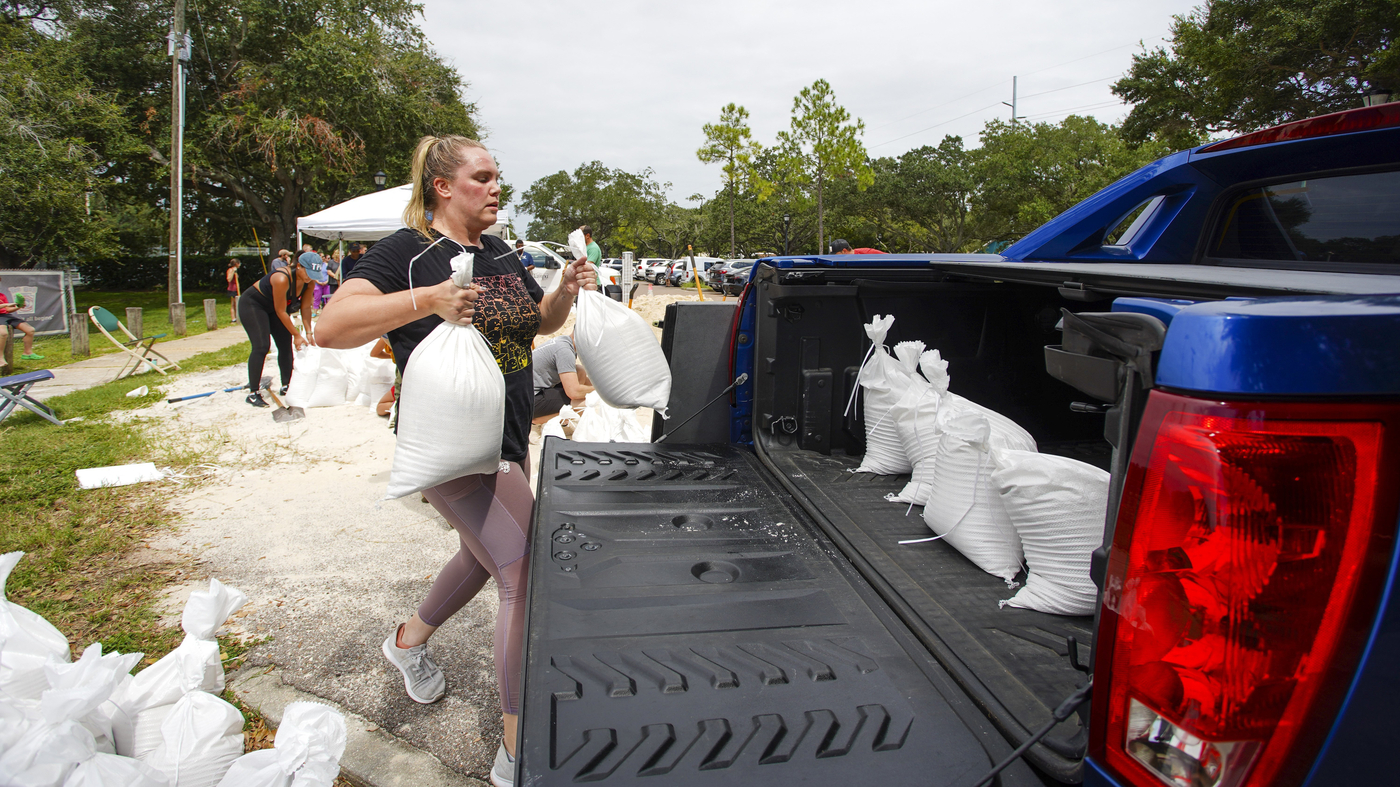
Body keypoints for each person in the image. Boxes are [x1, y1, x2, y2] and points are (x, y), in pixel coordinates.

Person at [315, 133, 597, 787]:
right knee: (522, 565)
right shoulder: (409, 253)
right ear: (443, 186)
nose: (497, 187)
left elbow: (539, 324)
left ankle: (406, 641)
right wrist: (429, 299)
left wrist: (562, 289)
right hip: (447, 446)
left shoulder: (499, 251)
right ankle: (516, 747)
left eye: (499, 176)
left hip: (503, 439)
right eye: (483, 175)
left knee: (482, 552)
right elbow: (332, 325)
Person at [238, 253, 315, 407]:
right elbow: (281, 311)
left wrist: (308, 332)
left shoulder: (309, 282)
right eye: (308, 272)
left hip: (274, 308)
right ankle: (253, 393)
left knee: (285, 344)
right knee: (261, 346)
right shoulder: (281, 278)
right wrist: (296, 334)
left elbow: (305, 307)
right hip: (254, 304)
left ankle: (286, 385)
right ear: (298, 266)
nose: (310, 277)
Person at [531, 331, 591, 423]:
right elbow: (574, 392)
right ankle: (538, 419)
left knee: (579, 370)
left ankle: (551, 413)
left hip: (529, 392)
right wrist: (601, 391)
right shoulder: (564, 351)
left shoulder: (563, 342)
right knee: (584, 404)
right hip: (530, 401)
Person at [0, 277, 41, 361]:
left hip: (5, 316)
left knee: (30, 330)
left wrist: (19, 307)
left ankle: (27, 353)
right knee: (3, 333)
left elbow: (8, 310)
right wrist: (8, 304)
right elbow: (6, 306)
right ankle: (0, 358)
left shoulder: (2, 295)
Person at [226, 259, 242, 325]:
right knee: (233, 304)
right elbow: (229, 279)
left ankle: (238, 317)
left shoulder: (236, 271)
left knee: (237, 303)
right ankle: (233, 318)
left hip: (236, 289)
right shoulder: (230, 270)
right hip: (232, 289)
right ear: (236, 264)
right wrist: (233, 271)